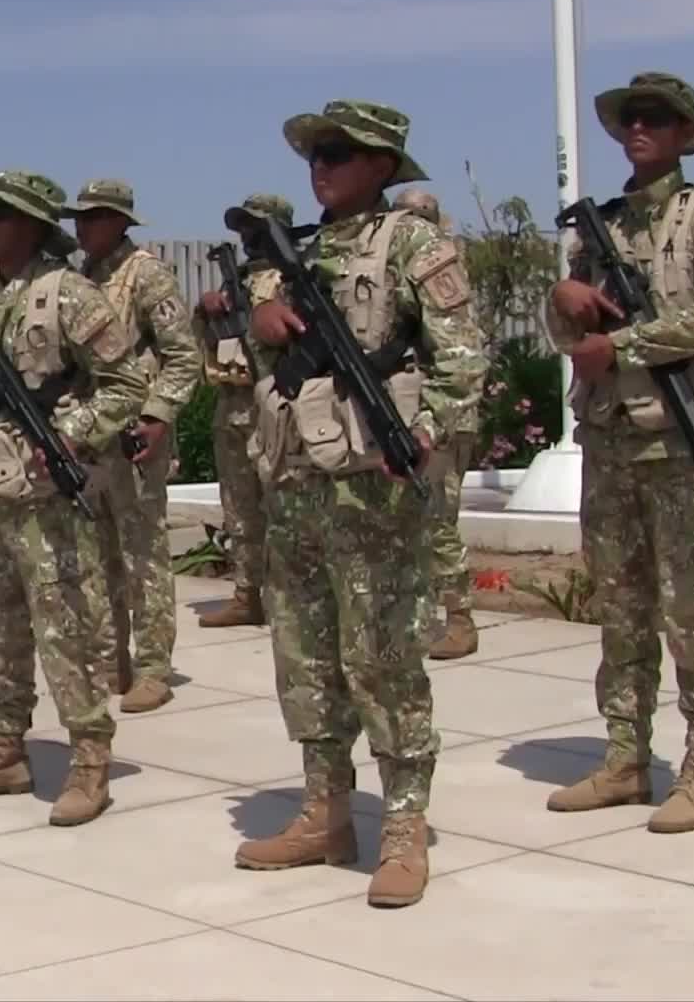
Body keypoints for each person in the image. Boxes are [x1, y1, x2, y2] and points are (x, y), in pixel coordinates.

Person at [236, 100, 485, 908]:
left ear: (381, 166)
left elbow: (464, 361)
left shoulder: (413, 242)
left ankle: (404, 825)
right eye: (314, 152)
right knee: (304, 653)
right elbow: (251, 356)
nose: (321, 165)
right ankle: (326, 808)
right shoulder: (287, 255)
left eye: (339, 153)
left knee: (381, 655)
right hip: (296, 483)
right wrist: (260, 319)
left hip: (371, 485)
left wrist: (419, 431)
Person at [543, 72, 694, 834]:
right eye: (631, 118)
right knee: (621, 609)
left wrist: (620, 341)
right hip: (610, 440)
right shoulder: (600, 228)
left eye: (657, 119)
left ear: (685, 134)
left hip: (677, 443)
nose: (640, 129)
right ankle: (626, 757)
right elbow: (571, 331)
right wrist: (562, 302)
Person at [0, 171, 147, 826]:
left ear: (27, 224)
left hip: (45, 496)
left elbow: (125, 383)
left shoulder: (72, 296)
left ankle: (88, 760)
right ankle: (5, 749)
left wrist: (67, 438)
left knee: (66, 630)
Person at [66, 179, 203, 713]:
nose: (83, 227)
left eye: (95, 217)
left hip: (135, 434)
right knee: (97, 553)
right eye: (79, 218)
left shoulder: (146, 274)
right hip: (92, 434)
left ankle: (153, 666)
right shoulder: (81, 279)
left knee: (142, 551)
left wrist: (159, 415)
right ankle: (111, 657)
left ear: (121, 221)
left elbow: (182, 356)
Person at [197, 195, 289, 630]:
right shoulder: (240, 281)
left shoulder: (294, 278)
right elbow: (205, 346)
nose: (249, 238)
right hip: (231, 408)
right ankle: (246, 593)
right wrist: (207, 312)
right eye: (244, 229)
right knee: (238, 510)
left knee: (283, 509)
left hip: (273, 410)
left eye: (257, 228)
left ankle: (288, 596)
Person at [394, 188, 479, 660]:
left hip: (446, 416)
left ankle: (460, 618)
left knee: (439, 518)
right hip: (415, 411)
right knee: (414, 520)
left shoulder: (442, 267)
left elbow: (459, 355)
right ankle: (422, 615)